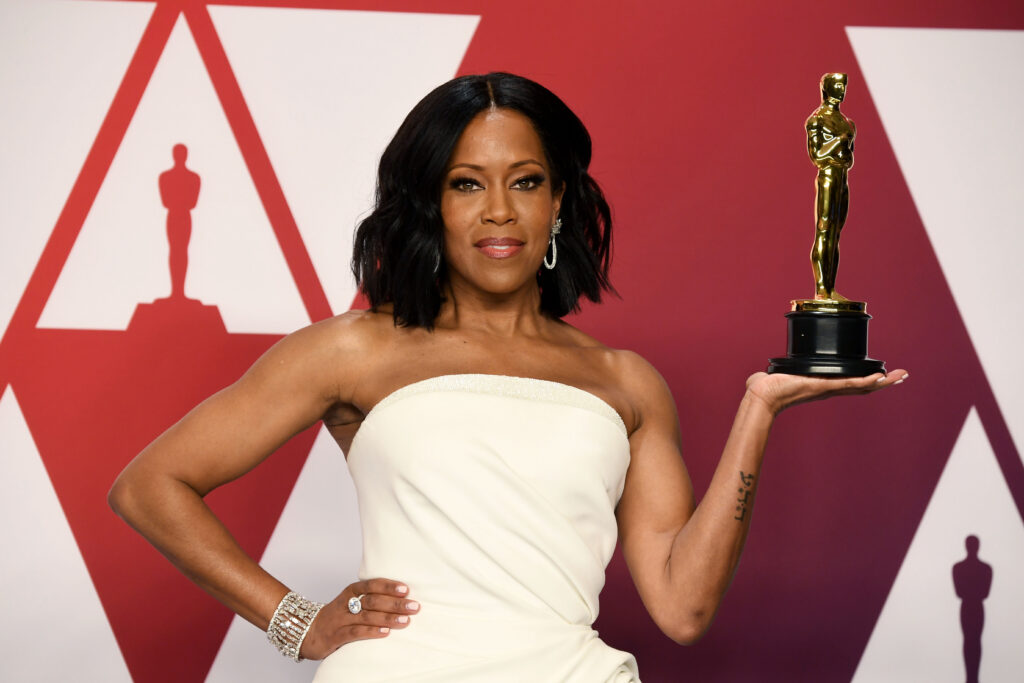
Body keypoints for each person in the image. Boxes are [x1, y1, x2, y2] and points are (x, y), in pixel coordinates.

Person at [109, 72, 907, 681]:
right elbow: (150, 485)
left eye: (525, 181)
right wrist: (296, 622)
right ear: (432, 205)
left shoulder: (624, 380)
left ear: (559, 200)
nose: (499, 211)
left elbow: (683, 606)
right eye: (466, 183)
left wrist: (758, 411)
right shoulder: (351, 349)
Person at [806, 72, 855, 301]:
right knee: (825, 230)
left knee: (835, 233)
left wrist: (843, 144)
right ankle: (822, 290)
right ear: (826, 88)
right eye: (836, 85)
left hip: (841, 178)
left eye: (843, 85)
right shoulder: (817, 120)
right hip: (827, 176)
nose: (841, 90)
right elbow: (817, 155)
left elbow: (849, 158)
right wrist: (839, 140)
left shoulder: (847, 123)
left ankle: (830, 288)